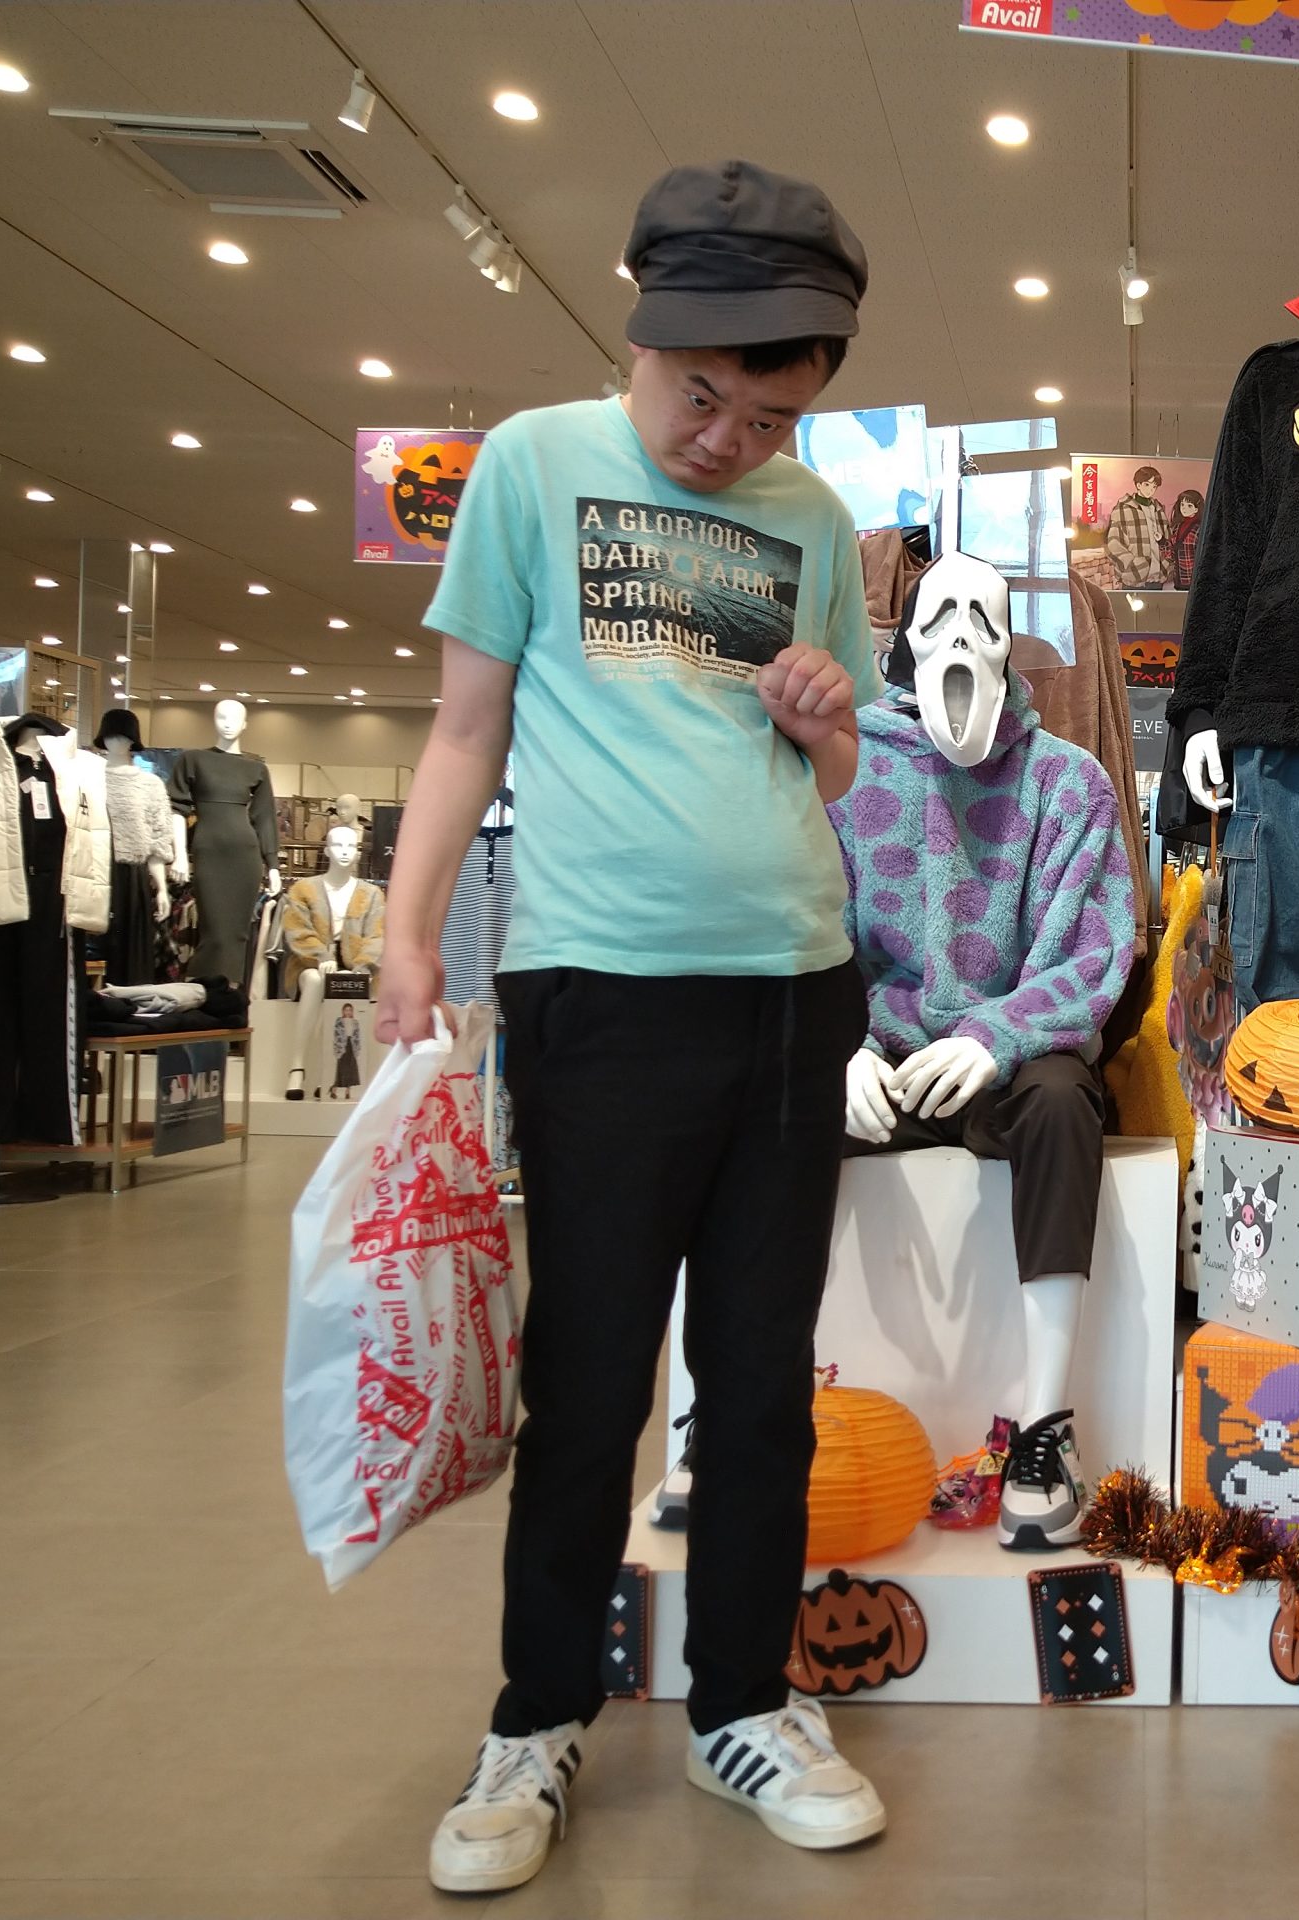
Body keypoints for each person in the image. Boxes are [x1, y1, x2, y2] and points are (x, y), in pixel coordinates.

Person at [377, 159, 888, 1895]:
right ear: (641, 334)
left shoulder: (813, 522)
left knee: (761, 1382)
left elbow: (837, 764)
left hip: (795, 989)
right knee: (589, 1379)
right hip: (596, 993)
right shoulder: (533, 466)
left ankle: (745, 1701)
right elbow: (466, 729)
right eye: (701, 393)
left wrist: (820, 716)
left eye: (769, 413)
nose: (726, 438)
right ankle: (537, 1716)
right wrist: (406, 934)